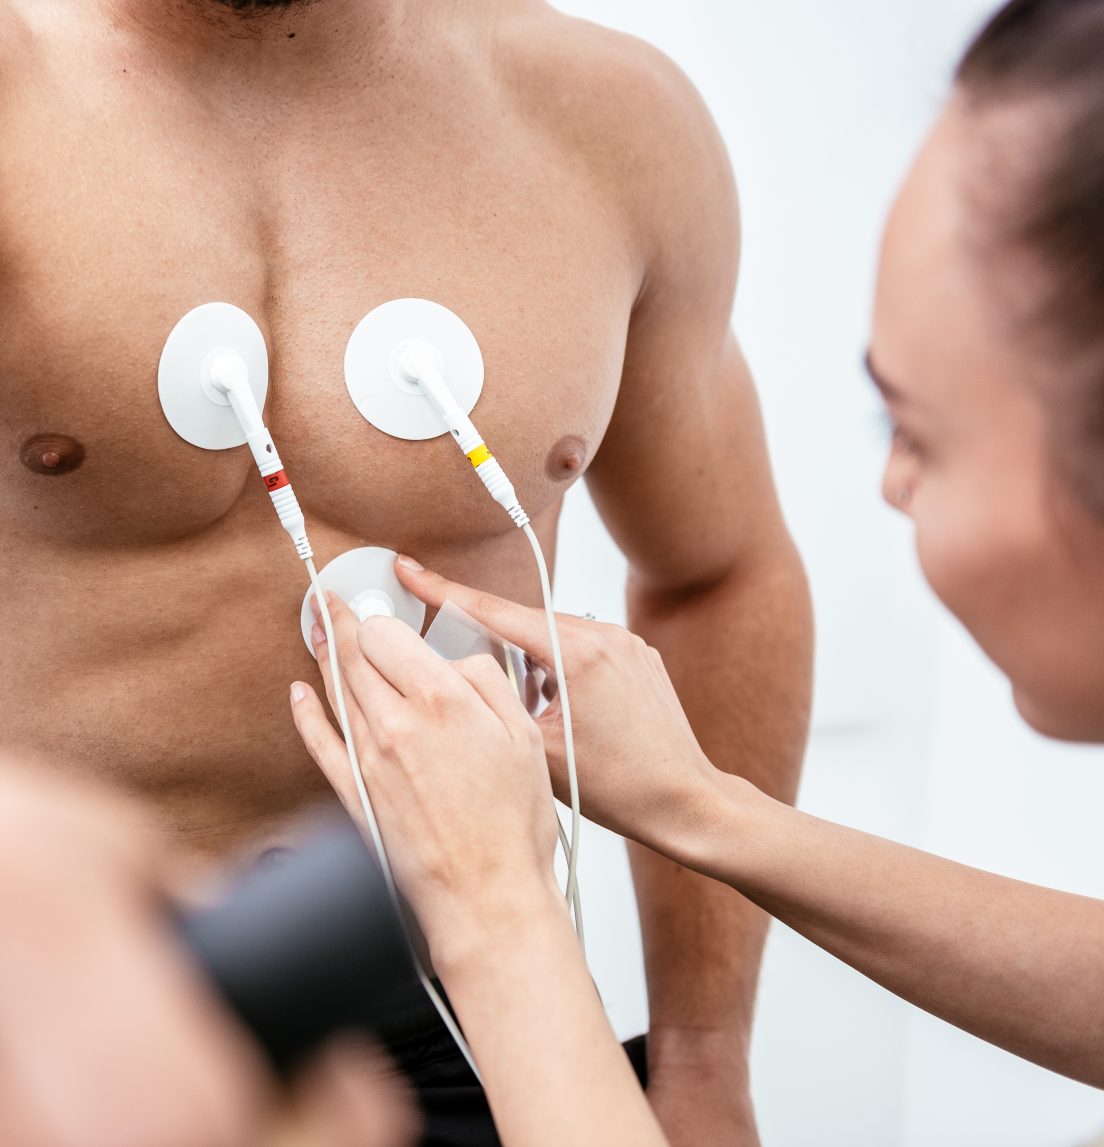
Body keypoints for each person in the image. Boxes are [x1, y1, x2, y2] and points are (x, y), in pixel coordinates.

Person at [0, 0, 812, 1142]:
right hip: (45, 1026)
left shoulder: (609, 115)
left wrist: (705, 1054)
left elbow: (718, 568)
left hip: (486, 1011)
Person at [288, 1, 1104, 1142]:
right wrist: (701, 805)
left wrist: (493, 902)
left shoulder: (604, 117)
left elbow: (723, 567)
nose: (890, 487)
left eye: (908, 427)